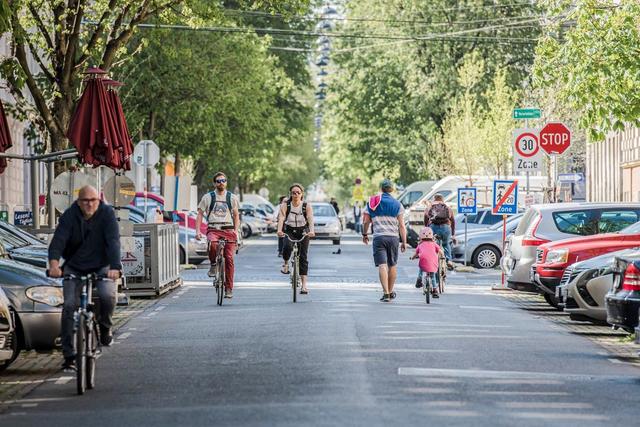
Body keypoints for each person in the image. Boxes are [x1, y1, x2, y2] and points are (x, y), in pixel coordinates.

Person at [48, 185, 121, 371]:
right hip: (75, 266)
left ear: (99, 200)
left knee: (107, 296)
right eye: (85, 201)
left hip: (102, 264)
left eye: (93, 200)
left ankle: (105, 327)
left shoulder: (107, 214)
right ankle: (69, 356)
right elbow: (59, 240)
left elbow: (113, 241)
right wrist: (54, 264)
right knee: (69, 306)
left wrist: (115, 267)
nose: (89, 204)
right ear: (78, 202)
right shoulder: (69, 216)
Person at [195, 172, 240, 299]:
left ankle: (229, 288)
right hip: (213, 229)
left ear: (226, 182)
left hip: (228, 229)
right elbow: (199, 214)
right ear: (214, 183)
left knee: (229, 258)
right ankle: (213, 265)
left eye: (224, 180)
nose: (221, 183)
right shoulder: (208, 197)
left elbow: (236, 215)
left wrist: (236, 231)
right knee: (213, 244)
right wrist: (197, 231)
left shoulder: (232, 198)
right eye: (219, 181)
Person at [362, 179, 407, 302]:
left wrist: (364, 234)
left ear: (381, 188)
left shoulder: (372, 202)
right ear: (392, 189)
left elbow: (366, 221)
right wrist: (404, 241)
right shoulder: (398, 204)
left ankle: (386, 293)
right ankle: (391, 291)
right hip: (393, 238)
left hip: (379, 237)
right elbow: (402, 226)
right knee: (392, 265)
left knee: (382, 265)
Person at [277, 184, 315, 294]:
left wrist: (312, 231)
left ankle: (304, 286)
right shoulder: (285, 205)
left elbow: (310, 219)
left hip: (303, 231)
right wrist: (279, 230)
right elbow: (281, 218)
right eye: (293, 192)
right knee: (287, 247)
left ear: (302, 194)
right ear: (290, 194)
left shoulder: (306, 206)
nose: (296, 194)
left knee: (303, 257)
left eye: (298, 192)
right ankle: (285, 264)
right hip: (290, 230)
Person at [424, 193, 456, 269]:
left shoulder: (430, 207)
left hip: (433, 227)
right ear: (442, 199)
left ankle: (433, 260)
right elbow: (453, 221)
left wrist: (427, 228)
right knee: (446, 244)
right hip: (445, 228)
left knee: (434, 245)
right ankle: (449, 260)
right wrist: (453, 234)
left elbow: (425, 218)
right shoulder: (447, 207)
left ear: (434, 199)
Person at [410, 227, 444, 298]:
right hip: (433, 262)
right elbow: (440, 251)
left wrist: (412, 258)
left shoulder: (420, 245)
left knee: (421, 268)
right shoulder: (434, 244)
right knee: (432, 276)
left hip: (423, 261)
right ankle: (435, 290)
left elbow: (415, 254)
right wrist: (442, 256)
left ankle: (419, 280)